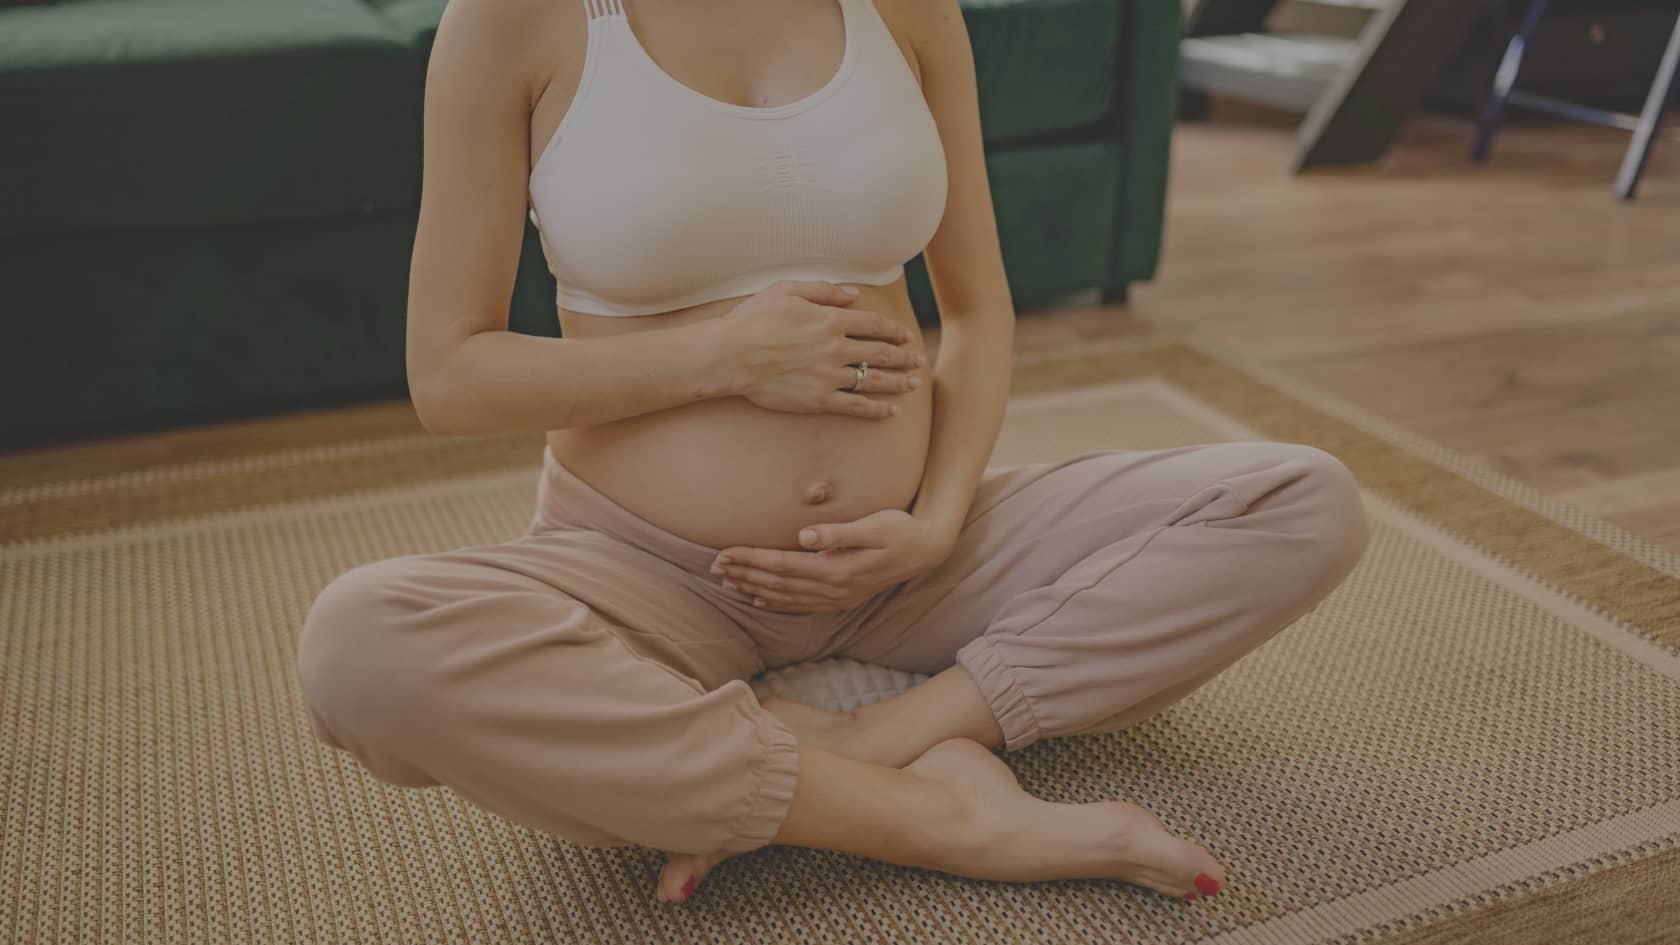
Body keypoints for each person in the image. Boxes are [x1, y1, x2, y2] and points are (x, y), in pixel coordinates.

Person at [295, 0, 1370, 907]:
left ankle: (867, 730)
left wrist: (936, 521)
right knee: (361, 643)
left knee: (1299, 502)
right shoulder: (519, 21)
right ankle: (936, 817)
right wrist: (722, 358)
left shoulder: (905, 8)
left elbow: (981, 315)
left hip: (909, 564)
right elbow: (451, 376)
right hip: (646, 580)